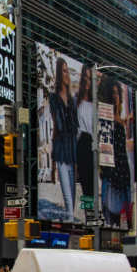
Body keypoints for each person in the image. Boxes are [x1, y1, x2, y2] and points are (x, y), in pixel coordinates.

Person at [100, 79, 134, 229]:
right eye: (112, 93)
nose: (115, 96)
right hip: (112, 170)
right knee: (110, 213)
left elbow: (123, 146)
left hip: (123, 169)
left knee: (122, 215)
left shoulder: (121, 120)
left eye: (117, 93)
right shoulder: (106, 118)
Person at [49, 57, 79, 222]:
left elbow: (76, 129)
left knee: (73, 200)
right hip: (61, 151)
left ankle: (71, 223)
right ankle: (70, 222)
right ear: (60, 74)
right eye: (65, 71)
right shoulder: (54, 99)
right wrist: (53, 165)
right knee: (68, 199)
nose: (67, 75)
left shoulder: (73, 100)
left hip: (72, 151)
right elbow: (54, 128)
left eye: (68, 71)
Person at [75, 64, 96, 201]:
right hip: (82, 142)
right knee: (85, 186)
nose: (87, 80)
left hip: (94, 146)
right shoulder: (76, 100)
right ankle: (88, 217)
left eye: (90, 78)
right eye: (85, 77)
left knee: (93, 186)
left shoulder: (96, 103)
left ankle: (93, 217)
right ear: (82, 78)